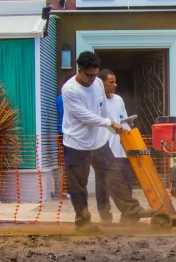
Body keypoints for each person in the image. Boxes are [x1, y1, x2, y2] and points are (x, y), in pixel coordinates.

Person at [61, 51, 153, 232]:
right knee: (79, 186)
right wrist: (109, 123)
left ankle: (131, 210)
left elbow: (101, 109)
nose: (92, 79)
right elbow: (85, 116)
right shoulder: (69, 89)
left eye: (95, 75)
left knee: (115, 175)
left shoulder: (96, 84)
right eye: (88, 75)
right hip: (77, 144)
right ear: (79, 70)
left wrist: (112, 127)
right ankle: (83, 222)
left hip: (99, 142)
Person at [96, 69, 135, 223]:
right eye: (111, 82)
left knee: (126, 184)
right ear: (101, 83)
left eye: (115, 81)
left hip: (121, 150)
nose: (115, 85)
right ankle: (105, 216)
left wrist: (128, 124)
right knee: (103, 186)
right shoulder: (96, 102)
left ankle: (128, 216)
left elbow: (123, 119)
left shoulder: (118, 99)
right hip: (104, 151)